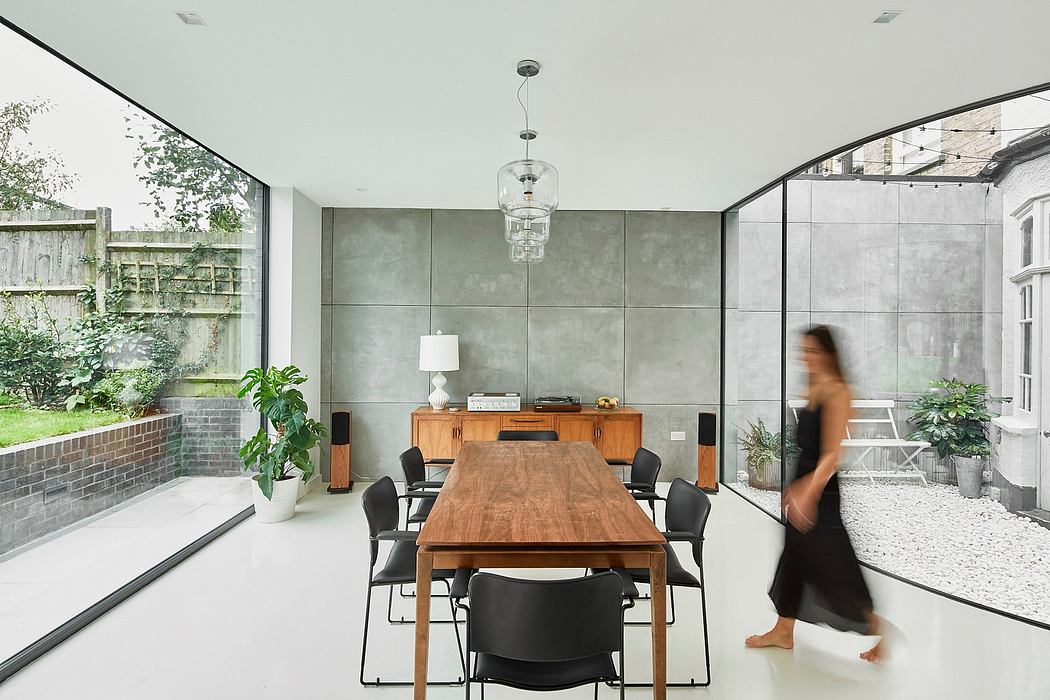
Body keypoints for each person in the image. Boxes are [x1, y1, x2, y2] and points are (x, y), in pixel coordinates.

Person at [745, 325, 885, 663]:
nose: (806, 358)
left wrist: (808, 492)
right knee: (793, 557)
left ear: (829, 354)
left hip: (821, 490)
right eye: (804, 351)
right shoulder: (815, 385)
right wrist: (794, 487)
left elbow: (832, 455)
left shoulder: (838, 391)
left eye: (813, 351)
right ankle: (783, 630)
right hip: (803, 482)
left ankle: (881, 630)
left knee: (835, 563)